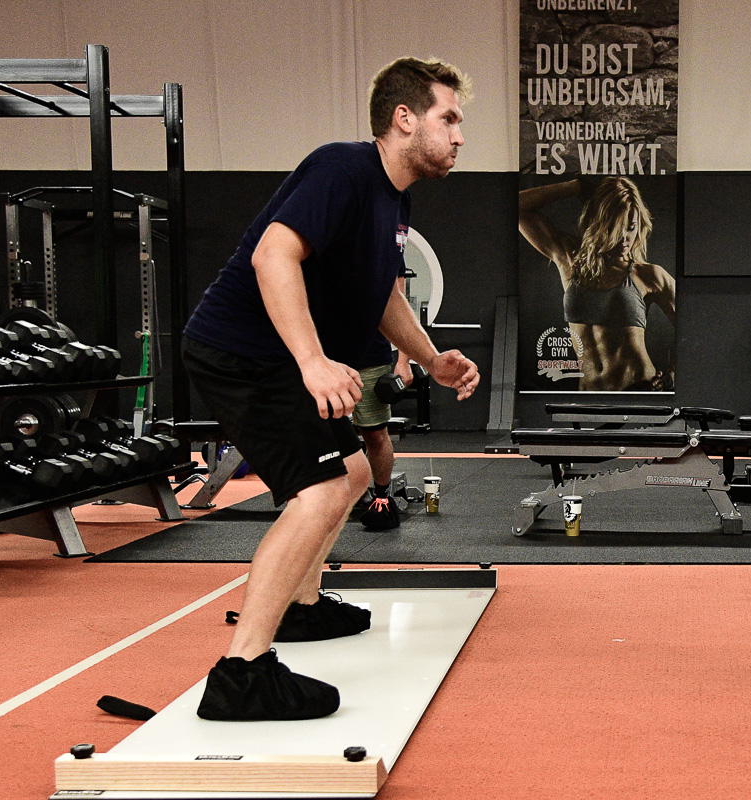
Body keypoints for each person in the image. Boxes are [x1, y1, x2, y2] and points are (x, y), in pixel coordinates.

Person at [180, 57, 480, 721]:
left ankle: (302, 607)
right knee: (317, 491)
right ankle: (242, 673)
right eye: (449, 118)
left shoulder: (393, 197)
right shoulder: (341, 168)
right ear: (405, 118)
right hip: (241, 352)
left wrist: (430, 359)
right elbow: (271, 255)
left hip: (269, 357)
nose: (460, 136)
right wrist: (313, 361)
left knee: (348, 473)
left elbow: (383, 294)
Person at [519, 176, 676, 391]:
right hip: (589, 397)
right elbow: (518, 208)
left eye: (631, 227)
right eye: (616, 227)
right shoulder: (569, 259)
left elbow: (694, 326)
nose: (625, 238)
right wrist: (576, 187)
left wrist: (672, 374)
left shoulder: (649, 275)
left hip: (639, 392)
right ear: (599, 223)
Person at [350, 319, 414, 531]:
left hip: (371, 358)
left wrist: (404, 361)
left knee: (375, 435)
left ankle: (382, 499)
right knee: (323, 433)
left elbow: (399, 306)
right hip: (323, 358)